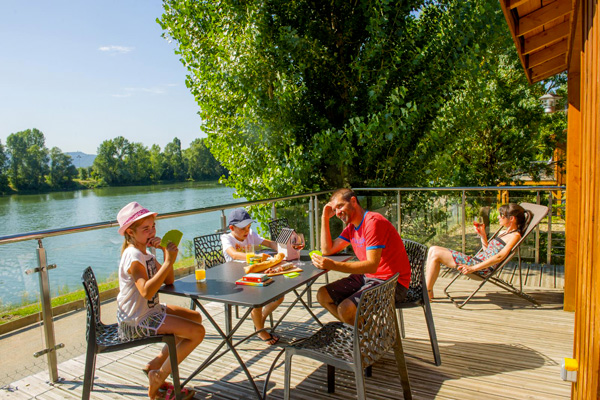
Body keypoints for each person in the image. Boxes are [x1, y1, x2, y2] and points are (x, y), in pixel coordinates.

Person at [116, 202, 204, 400]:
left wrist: (166, 255)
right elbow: (146, 291)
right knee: (198, 333)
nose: (151, 232)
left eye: (153, 227)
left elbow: (169, 279)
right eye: (145, 229)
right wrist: (168, 261)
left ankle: (155, 364)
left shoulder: (146, 253)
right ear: (130, 232)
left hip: (150, 311)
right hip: (137, 320)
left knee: (195, 317)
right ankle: (159, 376)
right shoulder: (133, 256)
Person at [311, 188, 411, 325]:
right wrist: (324, 217)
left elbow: (372, 265)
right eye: (335, 210)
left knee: (345, 309)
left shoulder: (373, 222)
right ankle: (370, 332)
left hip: (393, 283)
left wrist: (333, 266)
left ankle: (369, 337)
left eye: (340, 206)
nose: (338, 212)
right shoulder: (352, 227)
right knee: (323, 295)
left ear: (353, 201)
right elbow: (327, 250)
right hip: (369, 277)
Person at [425, 203, 530, 300]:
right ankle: (427, 291)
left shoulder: (515, 236)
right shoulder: (503, 232)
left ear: (511, 218)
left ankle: (426, 293)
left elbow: (499, 257)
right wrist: (483, 235)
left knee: (435, 254)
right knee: (432, 249)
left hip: (481, 268)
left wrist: (473, 268)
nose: (498, 217)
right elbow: (488, 252)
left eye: (501, 215)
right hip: (476, 261)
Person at [221, 208, 283, 345]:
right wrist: (256, 256)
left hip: (253, 275)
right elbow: (234, 254)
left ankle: (260, 320)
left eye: (249, 227)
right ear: (232, 227)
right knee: (257, 296)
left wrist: (282, 250)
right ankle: (260, 330)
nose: (247, 231)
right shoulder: (226, 238)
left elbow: (269, 243)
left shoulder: (250, 234)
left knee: (280, 294)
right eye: (243, 228)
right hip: (234, 280)